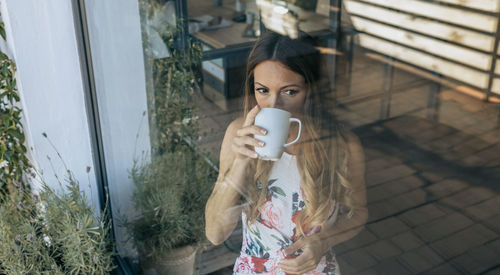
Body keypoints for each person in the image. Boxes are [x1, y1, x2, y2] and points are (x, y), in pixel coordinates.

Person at [205, 31, 367, 275]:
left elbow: (359, 212)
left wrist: (325, 240)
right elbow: (215, 234)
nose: (273, 105)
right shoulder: (239, 135)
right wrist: (240, 163)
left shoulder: (342, 144)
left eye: (290, 92)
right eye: (263, 90)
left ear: (311, 90)